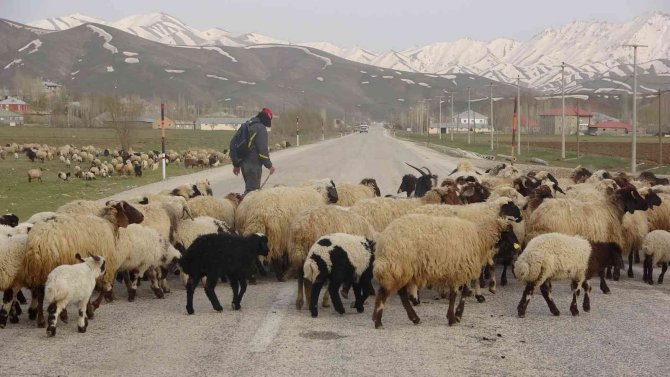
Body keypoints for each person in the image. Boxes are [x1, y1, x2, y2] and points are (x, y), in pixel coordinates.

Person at [230, 108, 276, 194]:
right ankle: (241, 206)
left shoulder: (247, 125)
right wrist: (269, 165)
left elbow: (233, 144)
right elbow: (263, 151)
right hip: (253, 165)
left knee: (250, 190)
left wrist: (236, 164)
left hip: (244, 164)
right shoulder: (261, 128)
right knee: (252, 193)